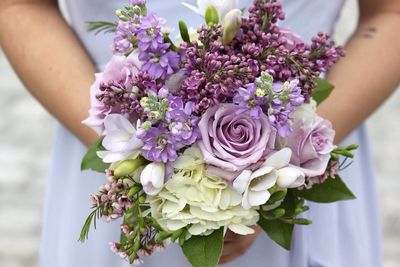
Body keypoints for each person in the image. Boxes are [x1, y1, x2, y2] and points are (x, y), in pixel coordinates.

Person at [1, 0, 399, 266]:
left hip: (301, 154)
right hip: (112, 150)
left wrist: (286, 159)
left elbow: (390, 12)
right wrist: (140, 164)